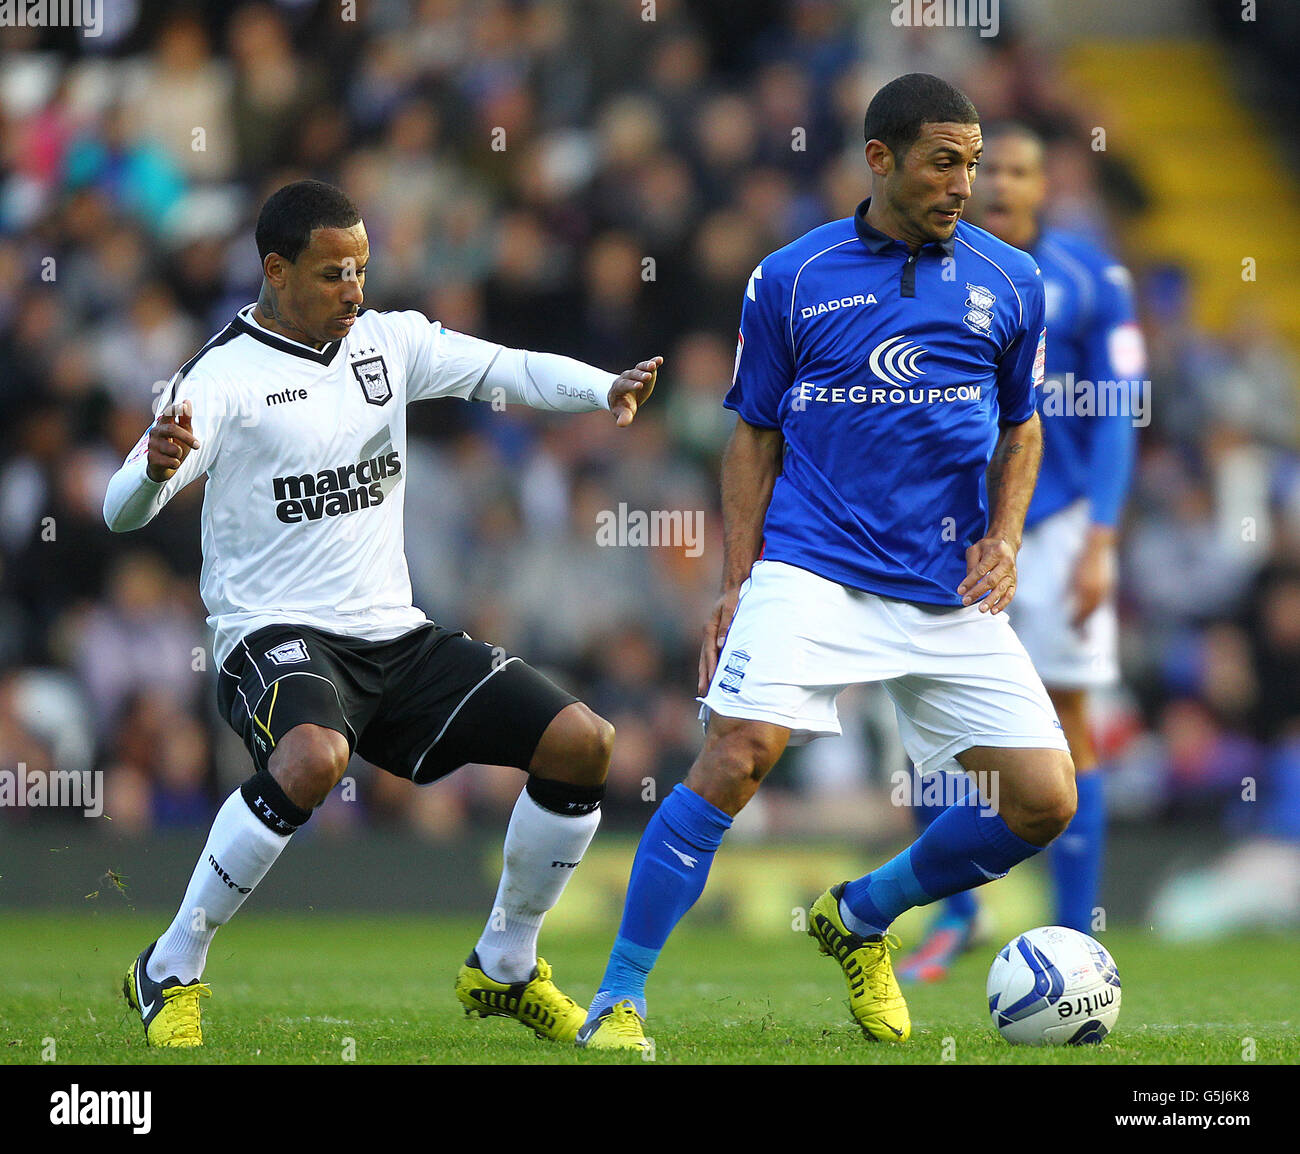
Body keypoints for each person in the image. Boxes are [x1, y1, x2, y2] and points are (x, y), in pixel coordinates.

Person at [576, 73, 1074, 1052]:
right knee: (735, 753)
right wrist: (735, 578)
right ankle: (618, 996)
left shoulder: (1010, 281)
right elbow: (751, 434)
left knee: (1043, 798)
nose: (963, 183)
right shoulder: (792, 278)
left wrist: (1005, 537)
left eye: (972, 164)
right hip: (812, 567)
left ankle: (859, 913)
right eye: (943, 161)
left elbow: (1022, 428)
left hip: (945, 586)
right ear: (879, 159)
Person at [105, 179, 661, 1048]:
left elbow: (501, 368)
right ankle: (171, 964)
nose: (355, 289)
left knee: (582, 741)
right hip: (273, 634)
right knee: (313, 756)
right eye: (334, 274)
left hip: (393, 634)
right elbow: (119, 509)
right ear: (276, 271)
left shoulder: (388, 344)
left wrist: (603, 388)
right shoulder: (219, 377)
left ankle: (506, 964)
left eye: (362, 269)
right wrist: (151, 469)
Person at [898, 122, 1144, 982]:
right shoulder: (930, 266)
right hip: (955, 525)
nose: (999, 183)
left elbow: (1118, 406)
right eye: (985, 167)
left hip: (1061, 521)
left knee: (1071, 725)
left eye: (1018, 170)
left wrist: (1101, 540)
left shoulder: (1090, 278)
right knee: (928, 718)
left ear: (1045, 186)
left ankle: (1076, 935)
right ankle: (956, 913)